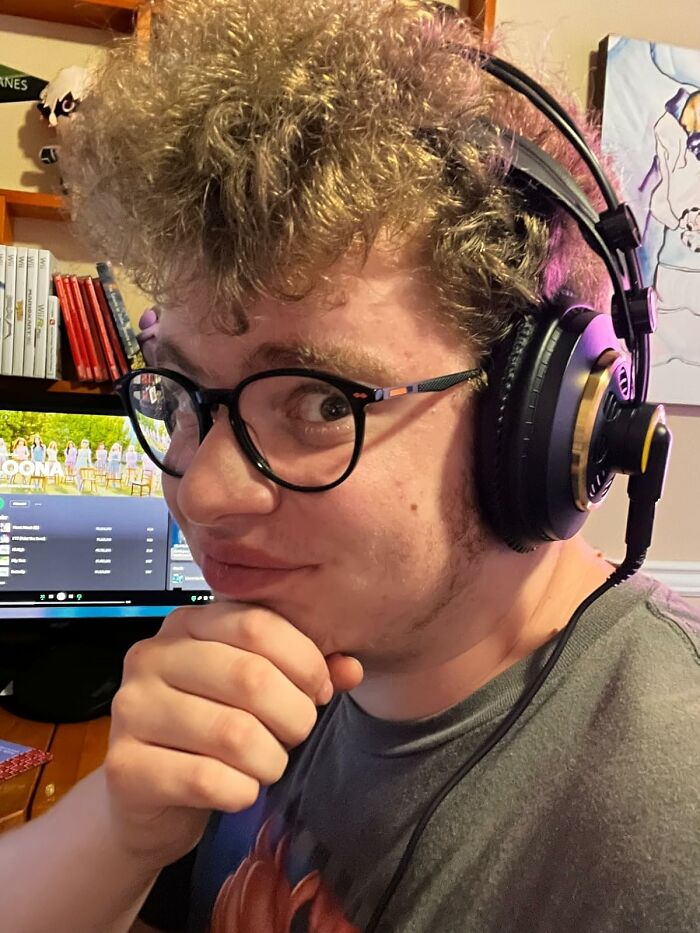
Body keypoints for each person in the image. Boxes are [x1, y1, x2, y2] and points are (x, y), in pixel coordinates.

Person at [2, 2, 698, 932]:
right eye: (175, 394)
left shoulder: (668, 814)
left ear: (540, 420)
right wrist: (122, 826)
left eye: (325, 403)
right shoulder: (273, 663)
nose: (201, 491)